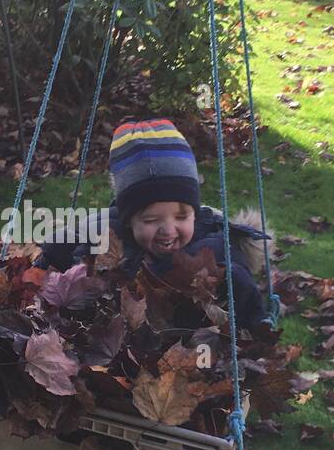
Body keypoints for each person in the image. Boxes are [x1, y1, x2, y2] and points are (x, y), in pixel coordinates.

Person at [37, 118, 274, 333]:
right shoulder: (103, 235)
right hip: (118, 347)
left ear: (195, 211)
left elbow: (244, 292)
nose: (169, 230)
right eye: (151, 220)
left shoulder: (215, 247)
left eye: (182, 217)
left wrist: (259, 328)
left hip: (192, 350)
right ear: (129, 217)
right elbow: (60, 247)